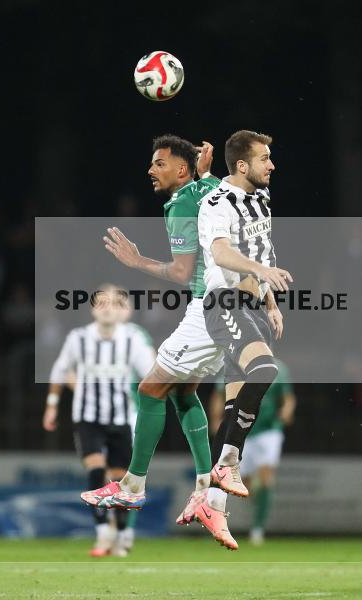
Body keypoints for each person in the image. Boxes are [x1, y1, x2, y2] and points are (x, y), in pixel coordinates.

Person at [81, 137, 226, 542]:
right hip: (229, 308)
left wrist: (136, 260)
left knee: (149, 389)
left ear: (181, 170)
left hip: (208, 308)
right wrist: (205, 173)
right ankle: (206, 491)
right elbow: (221, 197)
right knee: (182, 394)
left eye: (159, 163)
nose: (151, 169)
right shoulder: (210, 188)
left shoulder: (181, 203)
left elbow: (181, 273)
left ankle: (132, 487)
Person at [196, 130, 291, 549]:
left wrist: (269, 300)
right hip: (224, 303)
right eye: (265, 158)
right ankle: (229, 463)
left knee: (235, 404)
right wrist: (261, 272)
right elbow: (220, 254)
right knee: (265, 370)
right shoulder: (216, 202)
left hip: (252, 305)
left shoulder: (260, 199)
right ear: (241, 165)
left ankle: (210, 501)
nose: (271, 165)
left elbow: (263, 250)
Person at [43, 285, 156, 557]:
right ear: (93, 308)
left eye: (114, 303)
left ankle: (122, 532)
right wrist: (52, 406)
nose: (107, 307)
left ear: (123, 310)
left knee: (120, 480)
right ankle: (103, 532)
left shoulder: (133, 339)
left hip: (122, 417)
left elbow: (152, 373)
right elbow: (60, 370)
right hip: (88, 417)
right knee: (95, 468)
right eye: (101, 302)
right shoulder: (78, 338)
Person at [208, 358, 295, 545]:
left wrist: (286, 412)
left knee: (265, 476)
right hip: (241, 433)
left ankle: (258, 528)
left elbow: (288, 398)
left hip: (268, 430)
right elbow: (218, 394)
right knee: (245, 484)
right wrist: (216, 419)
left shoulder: (279, 368)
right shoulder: (233, 365)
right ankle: (258, 503)